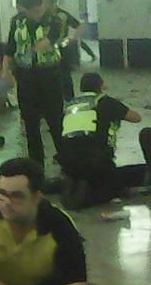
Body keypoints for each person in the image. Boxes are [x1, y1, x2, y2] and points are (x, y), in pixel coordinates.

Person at [58, 73, 149, 209]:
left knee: (103, 175)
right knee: (119, 183)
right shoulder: (106, 102)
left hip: (68, 161)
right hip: (98, 160)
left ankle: (71, 183)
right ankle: (87, 195)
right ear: (101, 85)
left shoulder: (70, 106)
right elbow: (136, 118)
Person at [3, 0, 64, 169]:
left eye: (41, 9)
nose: (39, 13)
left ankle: (66, 161)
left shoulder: (54, 21)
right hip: (26, 78)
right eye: (35, 11)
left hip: (49, 76)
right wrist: (5, 72)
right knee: (30, 123)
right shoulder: (17, 22)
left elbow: (47, 41)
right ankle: (36, 165)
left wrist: (29, 52)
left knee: (55, 121)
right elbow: (10, 48)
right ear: (26, 10)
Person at [43, 0, 83, 101]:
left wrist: (72, 39)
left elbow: (78, 25)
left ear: (52, 2)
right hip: (48, 50)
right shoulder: (44, 16)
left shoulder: (63, 15)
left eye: (45, 2)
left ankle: (69, 99)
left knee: (65, 75)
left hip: (62, 48)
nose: (44, 5)